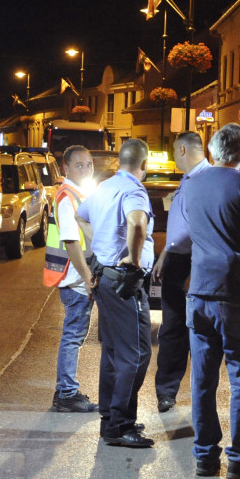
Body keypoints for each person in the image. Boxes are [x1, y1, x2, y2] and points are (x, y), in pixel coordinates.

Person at [182, 123, 240, 479]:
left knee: (202, 380)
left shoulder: (193, 183)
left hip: (200, 290)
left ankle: (205, 457)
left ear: (213, 150)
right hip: (235, 290)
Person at [75, 138, 155, 449]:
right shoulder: (134, 190)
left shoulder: (104, 187)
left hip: (105, 278)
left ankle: (110, 418)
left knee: (112, 353)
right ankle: (120, 425)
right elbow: (137, 222)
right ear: (144, 166)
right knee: (136, 355)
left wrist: (101, 244)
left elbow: (81, 215)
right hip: (124, 283)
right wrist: (134, 260)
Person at [153, 131, 209, 412]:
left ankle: (200, 394)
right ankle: (167, 391)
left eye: (175, 150)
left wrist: (192, 270)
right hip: (177, 260)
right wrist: (165, 254)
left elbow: (203, 230)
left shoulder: (207, 180)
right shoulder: (187, 180)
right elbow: (180, 225)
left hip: (194, 263)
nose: (174, 156)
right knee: (172, 329)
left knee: (198, 330)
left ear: (184, 150)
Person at [47, 146, 99, 413]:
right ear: (65, 168)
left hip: (78, 278)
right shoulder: (67, 197)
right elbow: (70, 242)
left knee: (74, 335)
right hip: (76, 280)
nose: (86, 169)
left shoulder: (80, 194)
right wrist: (89, 278)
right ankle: (67, 393)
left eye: (89, 164)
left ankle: (64, 391)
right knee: (72, 336)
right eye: (79, 165)